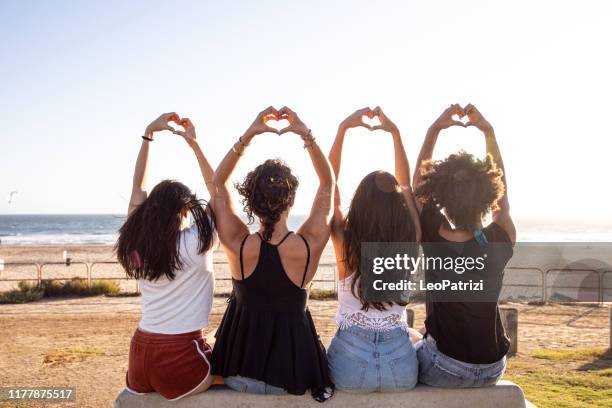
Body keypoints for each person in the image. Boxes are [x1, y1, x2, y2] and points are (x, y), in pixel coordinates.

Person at [209, 106, 335, 401]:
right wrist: (306, 135)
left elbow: (217, 183)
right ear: (291, 200)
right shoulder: (309, 242)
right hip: (292, 377)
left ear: (251, 206)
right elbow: (328, 183)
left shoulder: (238, 243)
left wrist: (249, 134)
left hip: (239, 376)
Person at [412, 104, 516, 388]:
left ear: (440, 195)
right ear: (489, 196)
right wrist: (488, 131)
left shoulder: (433, 235)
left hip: (447, 368)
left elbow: (417, 187)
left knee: (407, 336)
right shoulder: (499, 238)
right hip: (493, 367)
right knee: (422, 332)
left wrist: (434, 129)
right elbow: (503, 202)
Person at [116, 113, 218, 400]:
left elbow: (137, 188)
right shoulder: (196, 242)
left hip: (139, 356)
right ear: (184, 211)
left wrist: (148, 134)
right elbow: (218, 190)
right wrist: (195, 145)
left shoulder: (136, 242)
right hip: (179, 355)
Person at [326, 107, 421, 393]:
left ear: (360, 205)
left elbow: (328, 188)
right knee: (415, 334)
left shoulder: (346, 242)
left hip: (350, 369)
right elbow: (406, 187)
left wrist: (343, 129)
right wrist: (395, 133)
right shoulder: (411, 239)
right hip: (401, 372)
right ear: (400, 209)